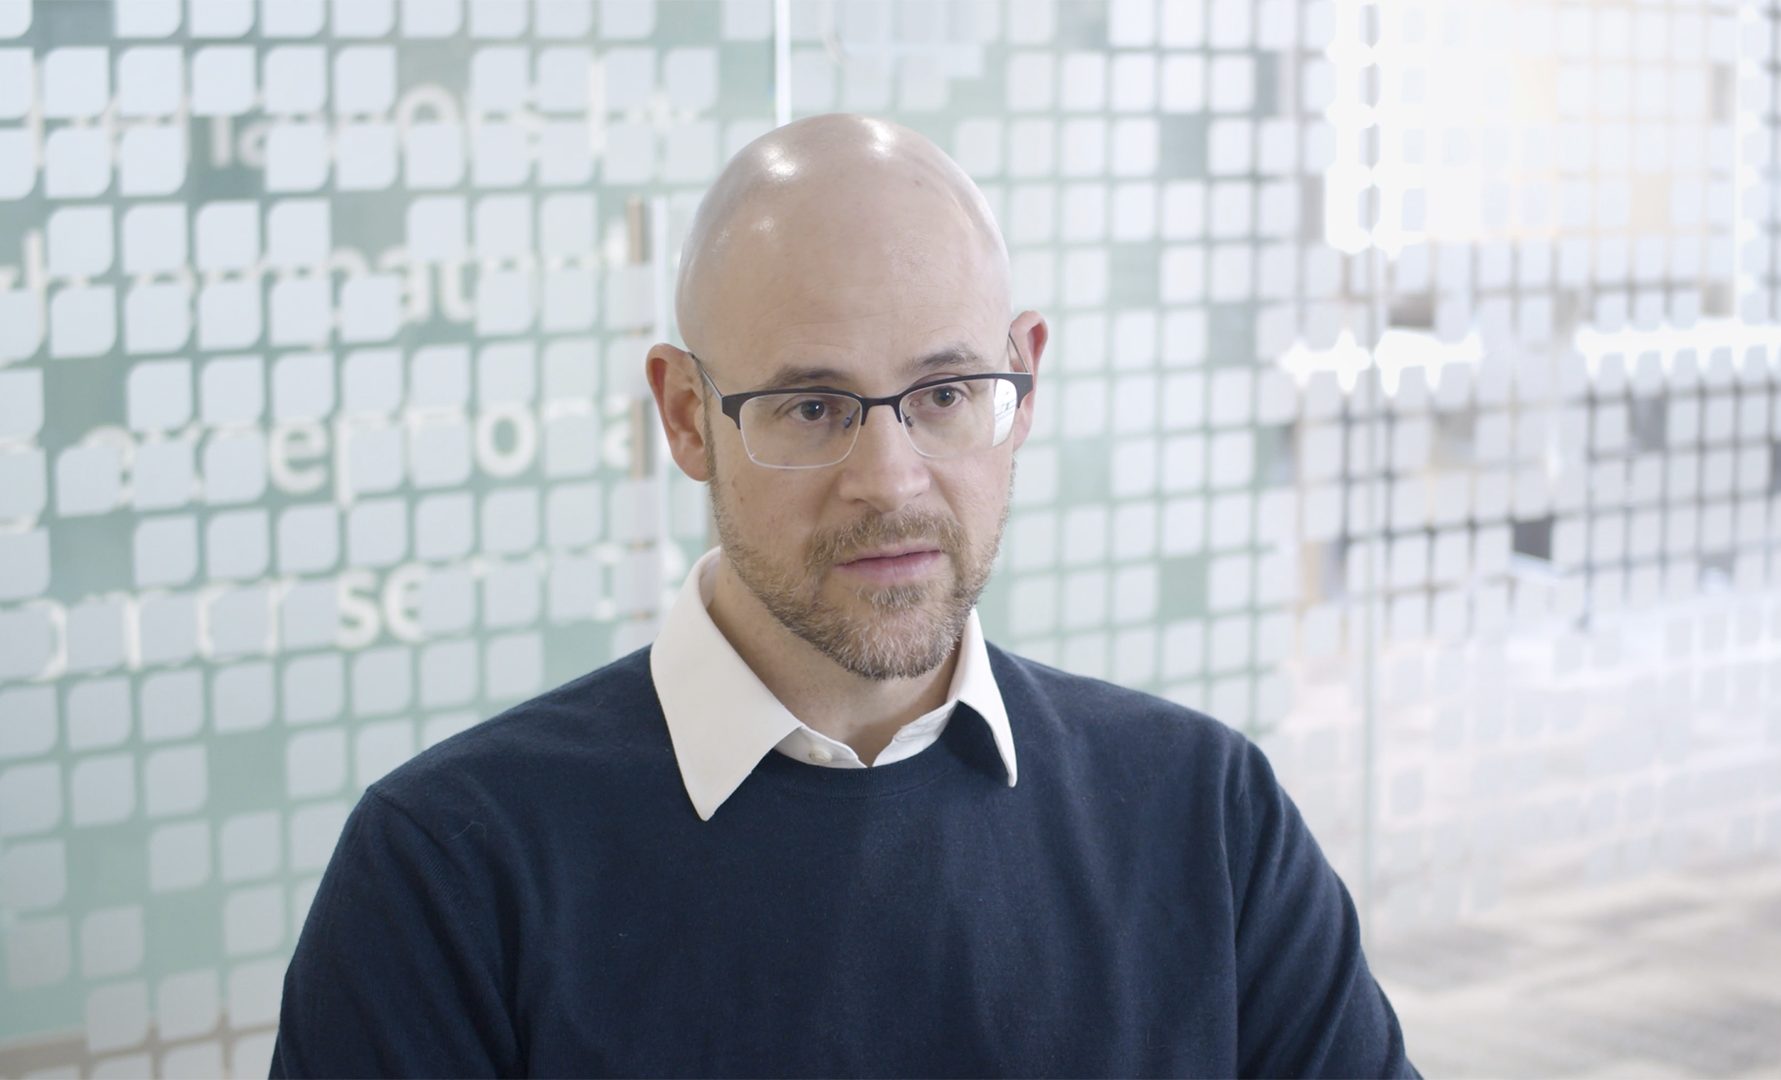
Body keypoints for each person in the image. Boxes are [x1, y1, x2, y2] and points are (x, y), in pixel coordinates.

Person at [271, 113, 1421, 1079]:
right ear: (685, 416)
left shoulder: (1205, 817)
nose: (891, 480)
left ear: (1022, 381)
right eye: (812, 407)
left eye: (946, 393)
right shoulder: (449, 875)